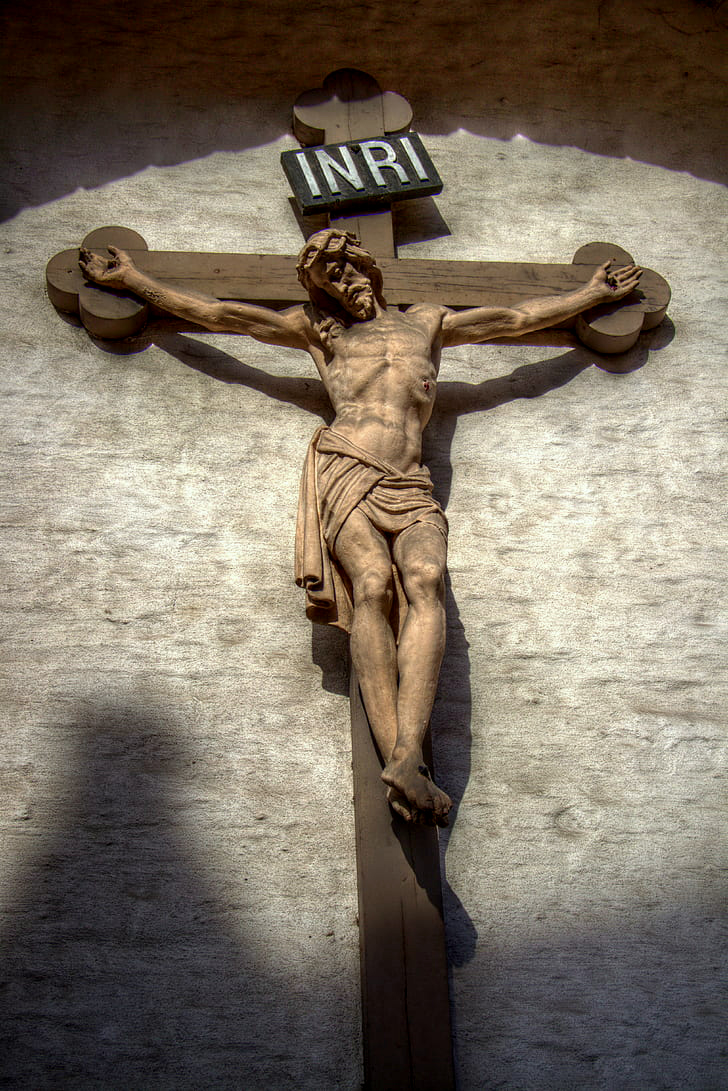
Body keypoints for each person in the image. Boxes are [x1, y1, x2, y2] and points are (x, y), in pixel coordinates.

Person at [79, 228, 641, 826]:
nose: (343, 284)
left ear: (367, 267)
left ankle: (406, 754)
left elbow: (514, 318)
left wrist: (590, 295)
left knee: (426, 580)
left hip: (411, 480)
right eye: (328, 280)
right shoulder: (321, 332)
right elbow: (223, 314)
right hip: (348, 466)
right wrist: (133, 281)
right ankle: (402, 759)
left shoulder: (426, 322)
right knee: (371, 586)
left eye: (346, 270)